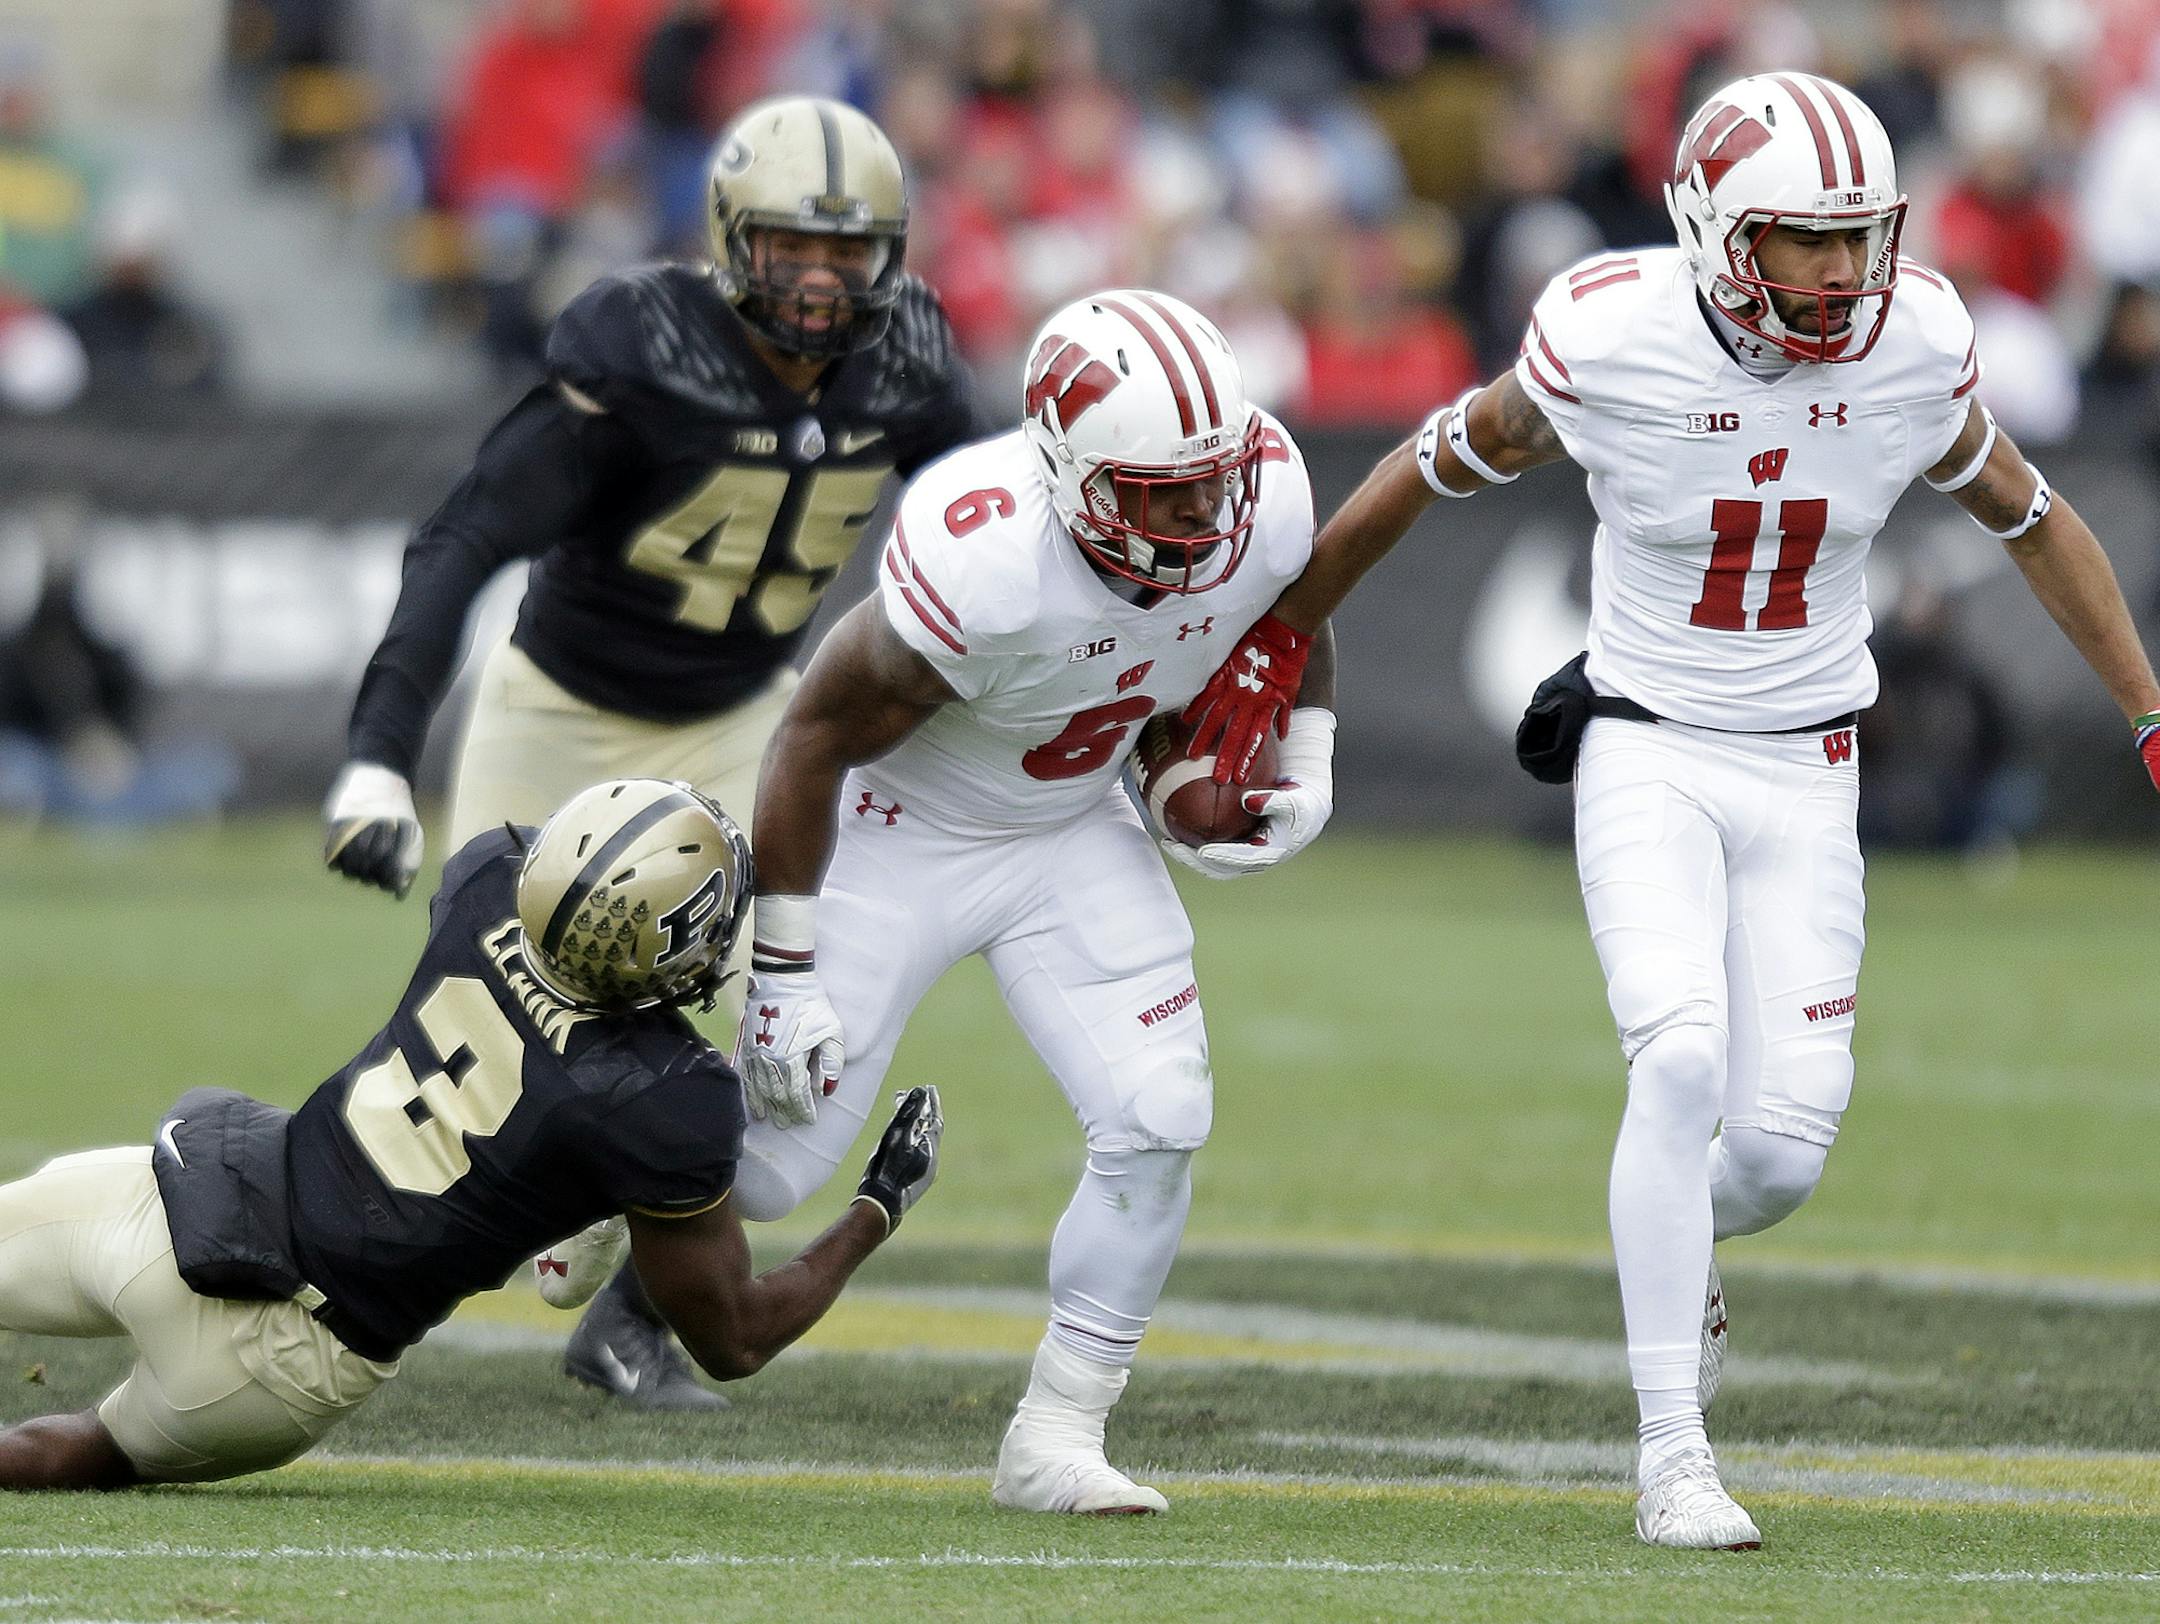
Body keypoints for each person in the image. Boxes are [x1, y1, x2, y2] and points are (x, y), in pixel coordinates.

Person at [1183, 72, 2160, 1550]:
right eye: (1799, 240)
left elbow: (2034, 519)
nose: (1839, 274)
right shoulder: (1609, 340)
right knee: (1682, 1055)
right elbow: (1425, 467)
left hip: (1813, 764)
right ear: (1713, 233)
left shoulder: (1917, 348)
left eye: (1859, 238)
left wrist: (2152, 711)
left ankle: (1680, 1246)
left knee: (1773, 1158)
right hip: (1647, 744)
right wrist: (1286, 627)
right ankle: (1669, 1449)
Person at [323, 94, 977, 1410]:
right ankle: (342, 1273)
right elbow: (464, 537)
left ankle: (639, 1315)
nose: (820, 280)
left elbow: (991, 522)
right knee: (504, 1028)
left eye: (849, 253)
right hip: (560, 717)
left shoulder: (907, 362)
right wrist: (379, 753)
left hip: (746, 728)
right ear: (734, 239)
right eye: (792, 245)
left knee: (806, 1023)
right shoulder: (644, 350)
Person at [731, 288, 1338, 1514]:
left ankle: (1056, 1433)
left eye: (1217, 479)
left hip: (1069, 832)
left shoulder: (1257, 493)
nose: (1206, 513)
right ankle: (593, 1169)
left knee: (1162, 1109)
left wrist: (1306, 762)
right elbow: (809, 739)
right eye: (1166, 491)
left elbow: (1286, 624)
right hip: (903, 833)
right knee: (767, 1172)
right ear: (1073, 478)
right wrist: (783, 969)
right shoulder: (984, 557)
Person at [0, 778, 944, 1489]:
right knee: (50, 1458)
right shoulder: (667, 1101)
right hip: (285, 1357)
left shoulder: (488, 884)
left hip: (178, 1197)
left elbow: (555, 882)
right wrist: (878, 1203)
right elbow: (733, 1340)